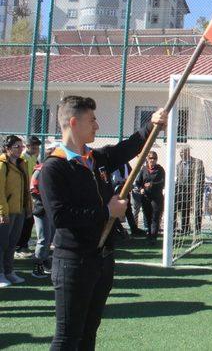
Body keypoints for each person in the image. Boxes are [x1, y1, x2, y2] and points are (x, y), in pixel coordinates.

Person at [39, 95, 166, 349]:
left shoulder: (95, 159)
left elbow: (126, 148)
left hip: (102, 258)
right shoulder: (54, 168)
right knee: (67, 336)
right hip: (73, 262)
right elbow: (60, 216)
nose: (96, 126)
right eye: (92, 120)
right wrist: (106, 211)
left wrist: (152, 125)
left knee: (88, 333)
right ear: (74, 123)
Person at [0, 135, 32, 287]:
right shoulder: (2, 165)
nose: (20, 150)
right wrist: (2, 212)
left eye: (21, 147)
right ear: (7, 148)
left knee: (12, 243)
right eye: (16, 147)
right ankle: (1, 274)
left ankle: (9, 271)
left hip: (19, 210)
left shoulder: (22, 164)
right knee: (2, 243)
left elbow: (26, 189)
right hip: (6, 212)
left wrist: (28, 207)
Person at [29, 143, 58, 279]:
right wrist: (45, 199)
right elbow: (33, 188)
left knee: (50, 238)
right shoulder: (41, 168)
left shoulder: (55, 168)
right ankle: (37, 265)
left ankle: (45, 262)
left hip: (51, 209)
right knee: (43, 238)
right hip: (42, 209)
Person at [14, 135, 41, 258]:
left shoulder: (34, 158)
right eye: (34, 146)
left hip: (31, 195)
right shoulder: (22, 158)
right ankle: (19, 247)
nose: (37, 148)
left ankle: (23, 245)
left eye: (37, 146)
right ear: (28, 146)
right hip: (24, 195)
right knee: (24, 221)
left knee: (29, 221)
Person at [134, 151, 165, 241]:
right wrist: (141, 189)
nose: (152, 160)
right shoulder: (143, 169)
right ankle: (149, 234)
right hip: (146, 197)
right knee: (147, 216)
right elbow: (138, 182)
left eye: (154, 158)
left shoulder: (160, 170)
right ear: (147, 159)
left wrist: (152, 184)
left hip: (156, 197)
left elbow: (163, 182)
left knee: (155, 216)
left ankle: (153, 236)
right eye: (150, 158)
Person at [174, 146, 205, 234]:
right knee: (184, 209)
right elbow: (178, 179)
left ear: (188, 152)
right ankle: (185, 229)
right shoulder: (179, 165)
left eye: (183, 152)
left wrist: (196, 189)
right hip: (183, 190)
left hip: (195, 189)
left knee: (197, 209)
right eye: (180, 152)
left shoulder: (197, 162)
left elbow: (200, 178)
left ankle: (197, 229)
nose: (181, 154)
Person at [111, 162, 145, 237]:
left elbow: (131, 174)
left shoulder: (126, 164)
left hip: (125, 188)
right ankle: (119, 229)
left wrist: (129, 184)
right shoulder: (112, 162)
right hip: (115, 190)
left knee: (128, 209)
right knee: (115, 211)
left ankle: (134, 229)